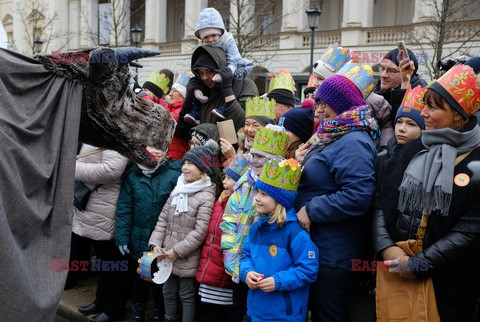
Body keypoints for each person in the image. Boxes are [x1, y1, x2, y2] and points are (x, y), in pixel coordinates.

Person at [373, 64, 480, 321]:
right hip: (397, 273)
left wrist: (420, 265)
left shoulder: (476, 162)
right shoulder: (412, 149)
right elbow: (381, 202)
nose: (424, 114)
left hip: (448, 288)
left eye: (433, 107)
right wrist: (388, 249)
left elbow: (470, 229)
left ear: (457, 114)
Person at [294, 65, 379, 321]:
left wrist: (311, 209)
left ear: (341, 104)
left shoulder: (354, 141)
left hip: (335, 255)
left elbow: (359, 194)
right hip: (322, 247)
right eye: (317, 103)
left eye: (325, 104)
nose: (318, 110)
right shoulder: (334, 136)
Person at [221, 124, 289, 321]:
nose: (257, 161)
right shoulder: (243, 185)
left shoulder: (282, 192)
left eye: (264, 157)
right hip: (238, 266)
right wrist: (233, 261)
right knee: (238, 311)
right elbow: (228, 223)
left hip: (265, 272)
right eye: (255, 155)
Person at [240, 158, 319, 322]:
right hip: (255, 312)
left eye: (264, 194)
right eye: (257, 192)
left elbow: (309, 269)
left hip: (284, 316)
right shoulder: (256, 229)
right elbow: (245, 256)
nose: (257, 198)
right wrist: (246, 272)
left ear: (280, 201)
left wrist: (278, 281)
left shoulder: (295, 233)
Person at [149, 140, 218, 322]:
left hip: (187, 256)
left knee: (186, 294)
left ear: (203, 169)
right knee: (167, 291)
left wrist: (177, 252)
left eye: (191, 164)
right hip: (166, 253)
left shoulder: (206, 194)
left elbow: (200, 231)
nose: (185, 168)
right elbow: (163, 219)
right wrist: (156, 243)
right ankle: (169, 318)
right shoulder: (178, 188)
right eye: (185, 163)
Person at [115, 147, 182, 322]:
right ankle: (138, 311)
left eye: (160, 148)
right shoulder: (133, 175)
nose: (155, 152)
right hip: (138, 238)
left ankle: (159, 311)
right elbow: (124, 208)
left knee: (160, 280)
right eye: (151, 147)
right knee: (141, 277)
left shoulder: (174, 175)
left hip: (162, 241)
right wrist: (122, 236)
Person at [72, 144, 130, 322]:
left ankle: (114, 308)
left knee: (112, 262)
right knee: (103, 260)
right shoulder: (99, 134)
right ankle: (101, 300)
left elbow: (111, 170)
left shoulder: (118, 136)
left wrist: (74, 168)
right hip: (93, 206)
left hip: (105, 208)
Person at [196, 155, 251, 322]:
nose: (224, 182)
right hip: (213, 268)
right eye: (224, 178)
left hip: (227, 271)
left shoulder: (239, 207)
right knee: (214, 312)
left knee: (232, 311)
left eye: (230, 178)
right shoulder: (218, 203)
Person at [184, 7, 254, 123]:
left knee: (237, 75)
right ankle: (195, 111)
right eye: (206, 37)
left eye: (214, 35)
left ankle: (225, 106)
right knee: (194, 81)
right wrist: (194, 92)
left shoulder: (228, 40)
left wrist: (224, 77)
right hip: (221, 70)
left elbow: (233, 60)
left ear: (220, 33)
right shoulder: (203, 47)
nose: (211, 40)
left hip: (237, 66)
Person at [177, 45, 258, 136]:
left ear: (221, 67)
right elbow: (182, 132)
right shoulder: (201, 90)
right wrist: (188, 100)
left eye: (209, 71)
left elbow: (245, 126)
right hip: (201, 148)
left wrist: (228, 91)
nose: (204, 77)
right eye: (201, 72)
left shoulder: (245, 85)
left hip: (229, 149)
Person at [375, 48, 428, 122]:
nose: (383, 75)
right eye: (382, 68)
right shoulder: (374, 90)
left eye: (391, 71)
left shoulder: (421, 96)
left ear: (408, 72)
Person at [220, 96, 276, 161]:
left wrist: (232, 157)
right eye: (247, 124)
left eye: (255, 125)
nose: (249, 129)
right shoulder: (242, 147)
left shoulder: (271, 155)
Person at [164, 71, 191, 160]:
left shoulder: (183, 111)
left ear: (183, 95)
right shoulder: (167, 107)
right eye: (171, 90)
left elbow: (165, 121)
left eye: (175, 91)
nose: (170, 94)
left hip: (177, 157)